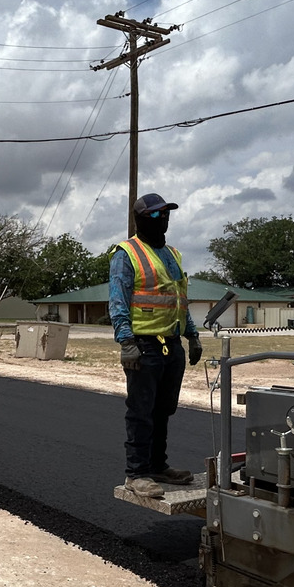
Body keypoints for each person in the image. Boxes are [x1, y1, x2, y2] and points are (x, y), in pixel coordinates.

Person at [110, 192, 202, 499]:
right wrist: (126, 342)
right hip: (144, 346)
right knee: (141, 411)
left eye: (165, 214)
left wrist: (192, 335)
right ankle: (136, 473)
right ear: (140, 219)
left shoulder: (173, 254)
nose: (162, 219)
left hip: (171, 345)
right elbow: (118, 301)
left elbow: (179, 301)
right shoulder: (127, 254)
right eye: (154, 215)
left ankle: (158, 466)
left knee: (164, 409)